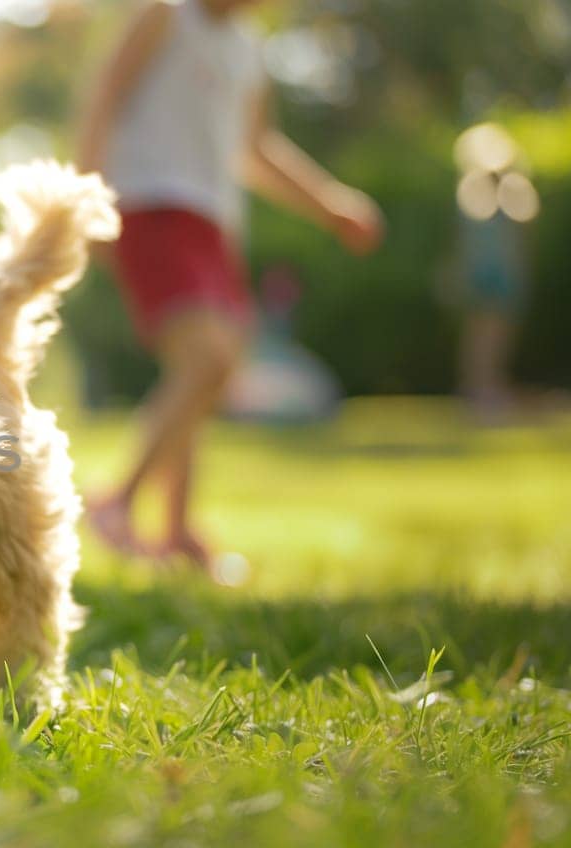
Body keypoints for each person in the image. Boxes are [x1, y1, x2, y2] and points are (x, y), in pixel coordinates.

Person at [75, 0, 383, 574]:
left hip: (213, 223)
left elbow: (257, 148)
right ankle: (117, 502)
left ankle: (176, 529)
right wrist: (86, 198)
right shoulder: (165, 16)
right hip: (153, 207)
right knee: (206, 361)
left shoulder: (248, 49)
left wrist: (330, 204)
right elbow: (104, 97)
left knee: (210, 373)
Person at [452, 122, 536, 424]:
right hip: (483, 273)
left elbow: (524, 224)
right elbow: (469, 233)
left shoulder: (516, 191)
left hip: (506, 273)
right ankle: (478, 387)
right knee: (481, 334)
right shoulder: (472, 190)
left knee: (499, 333)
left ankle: (492, 385)